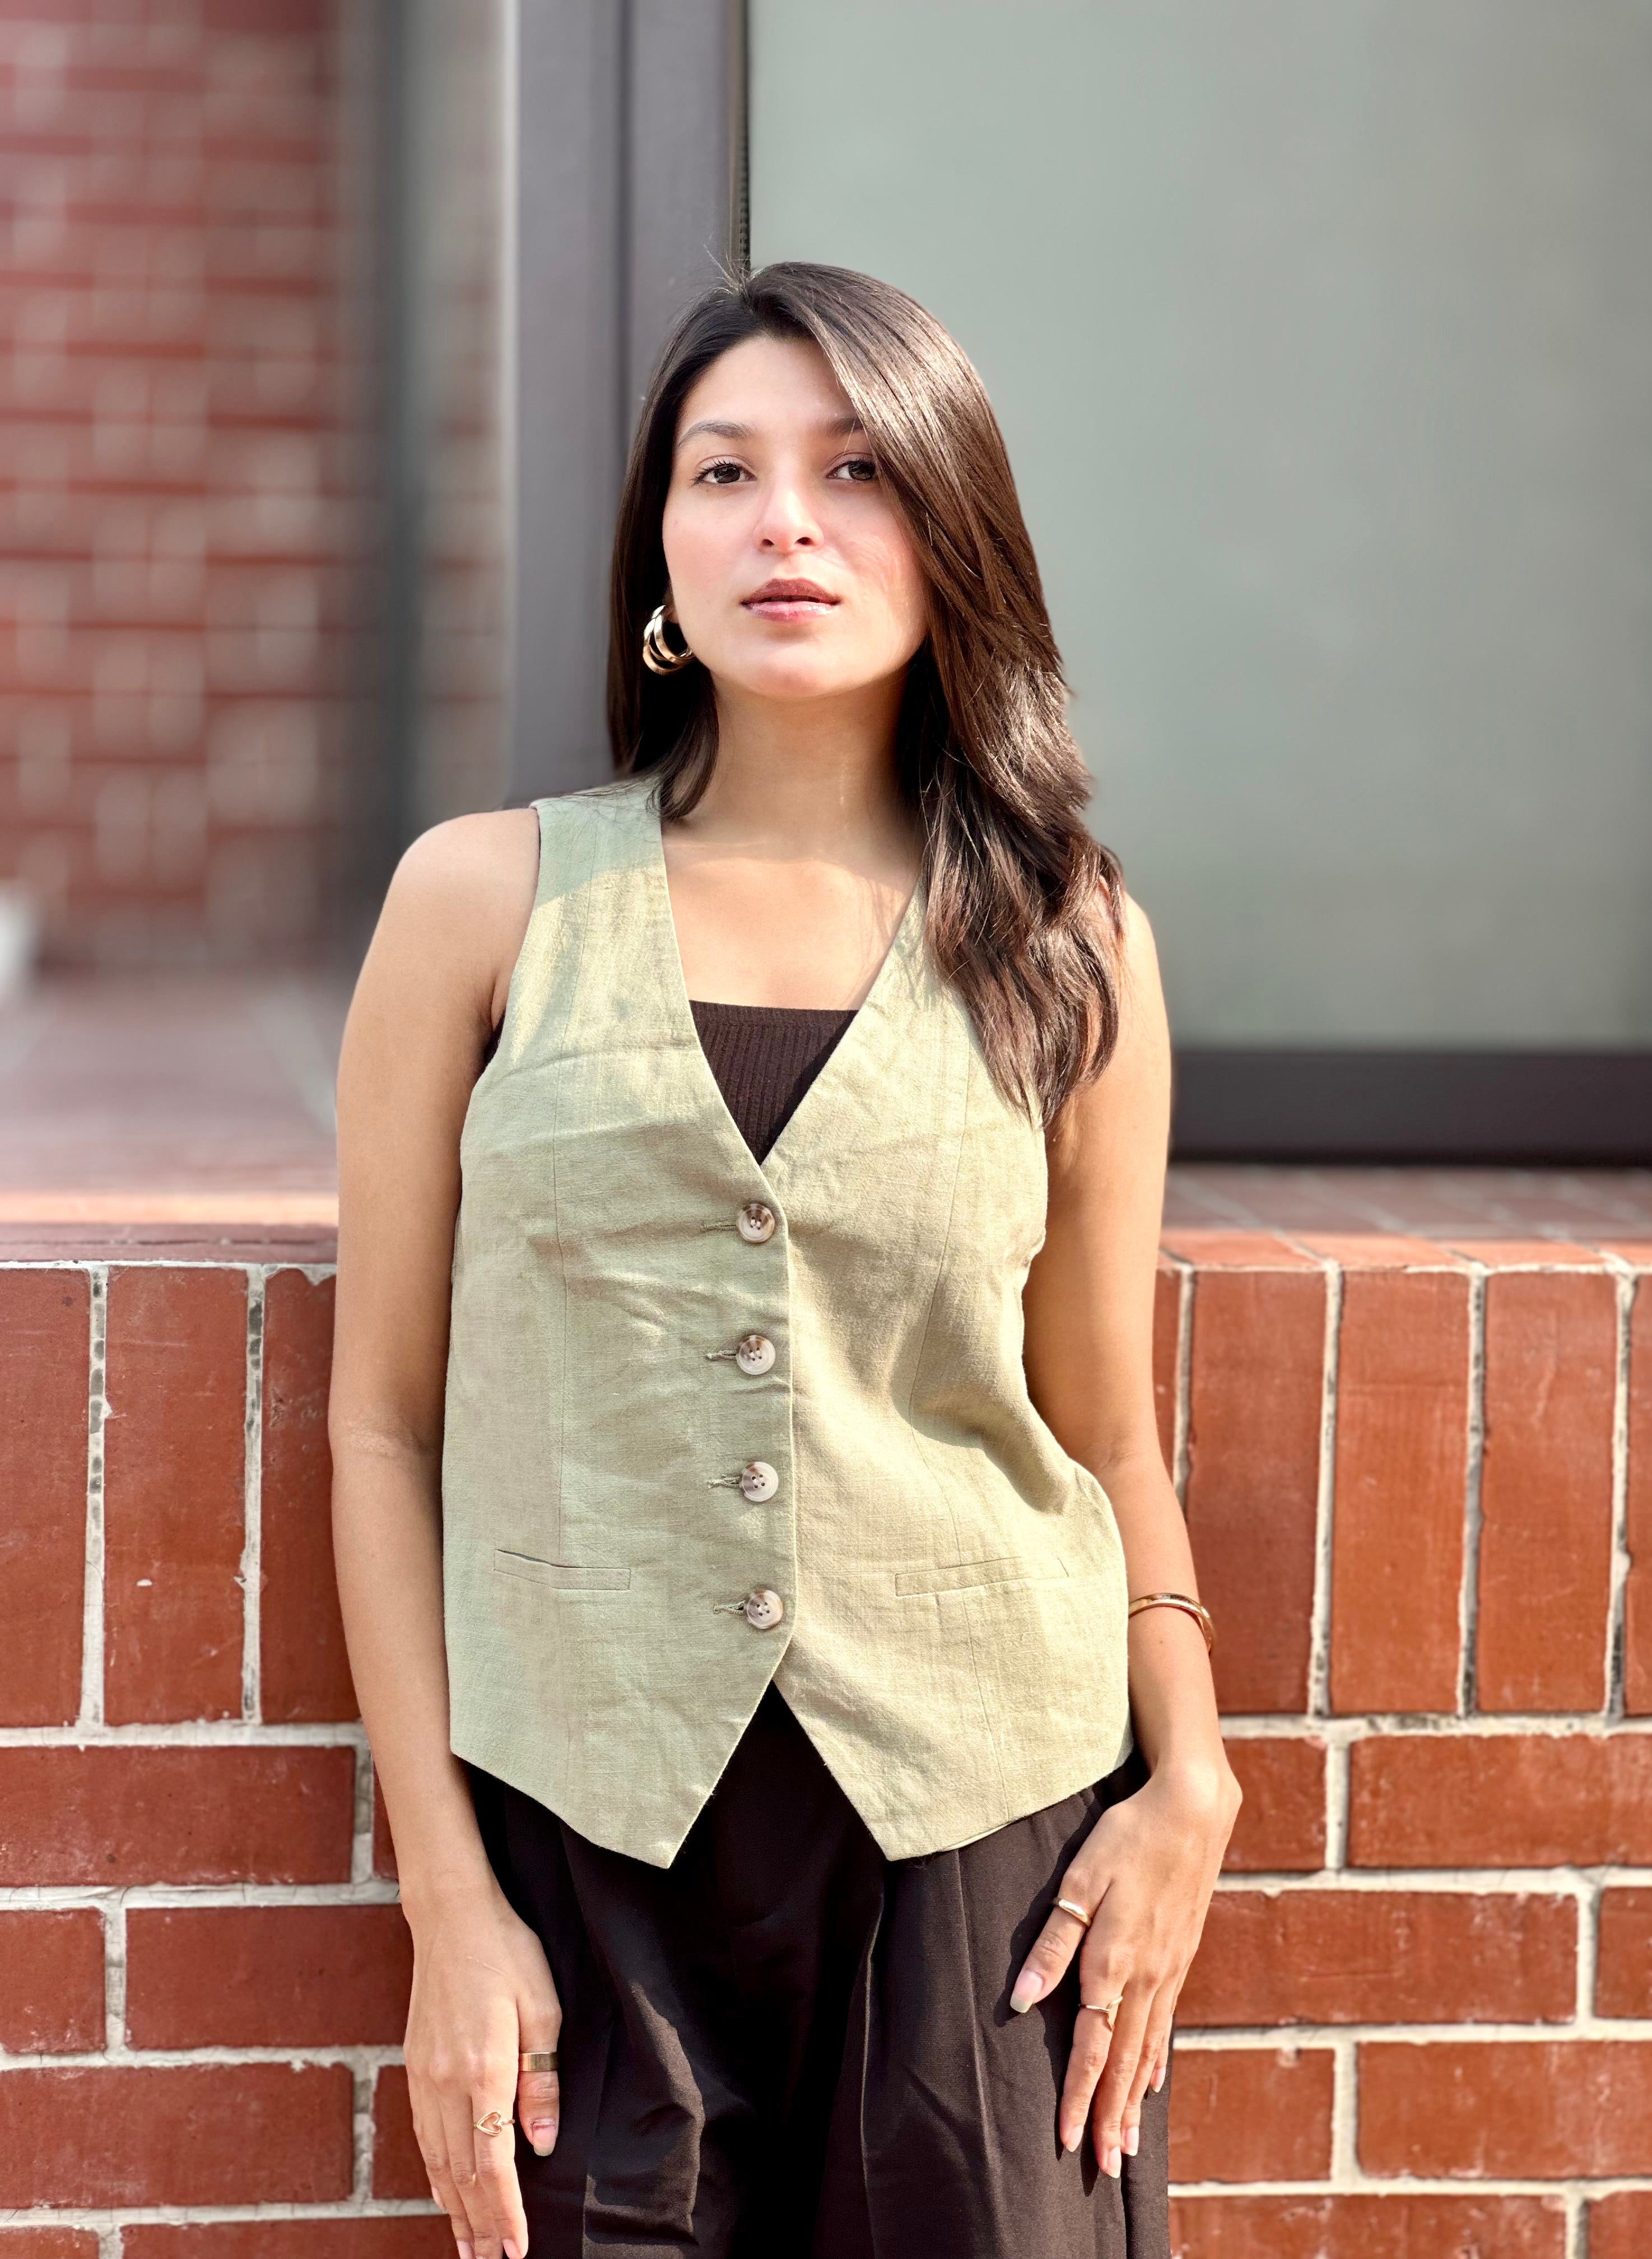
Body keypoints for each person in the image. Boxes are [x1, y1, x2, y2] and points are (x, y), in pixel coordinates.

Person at [329, 262, 1241, 2259]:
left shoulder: (1071, 939)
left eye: (852, 473)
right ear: (661, 552)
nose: (785, 523)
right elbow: (384, 1426)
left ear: (951, 534)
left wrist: (1191, 1777)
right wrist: (449, 1906)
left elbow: (1100, 1419)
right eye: (722, 473)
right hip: (592, 1851)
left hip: (986, 1856)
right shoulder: (482, 902)